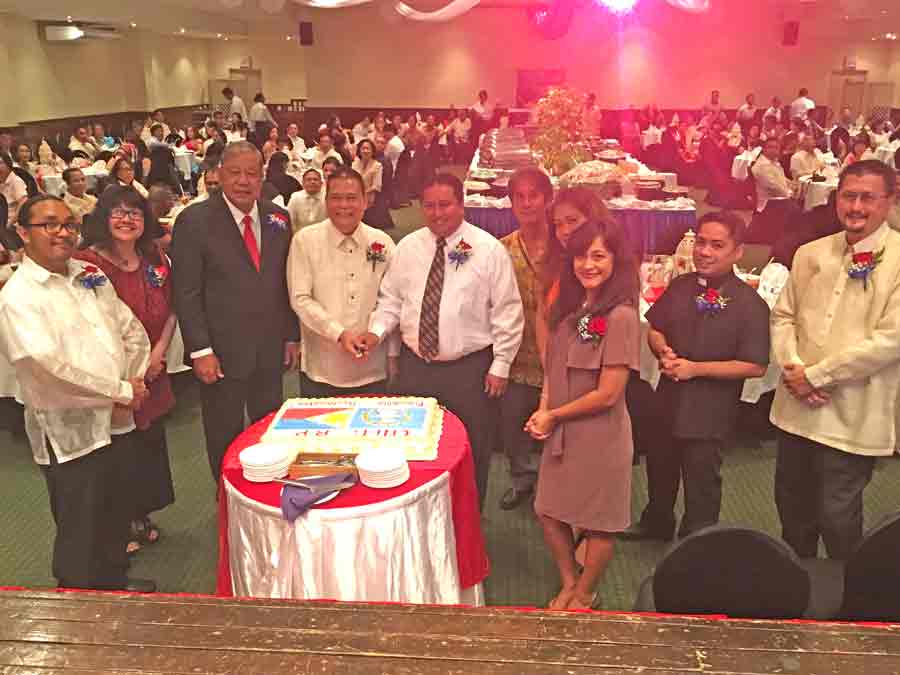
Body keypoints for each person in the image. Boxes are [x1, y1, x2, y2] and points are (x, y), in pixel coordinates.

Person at [0, 194, 154, 592]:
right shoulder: (19, 297)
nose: (62, 232)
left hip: (117, 416)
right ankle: (77, 599)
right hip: (69, 429)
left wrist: (133, 383)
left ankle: (113, 583)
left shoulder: (89, 273)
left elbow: (130, 328)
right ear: (23, 233)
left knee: (115, 508)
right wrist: (118, 391)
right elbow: (46, 369)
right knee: (80, 523)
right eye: (49, 224)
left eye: (69, 224)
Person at [353, 174, 524, 507]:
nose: (436, 213)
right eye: (429, 206)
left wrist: (501, 364)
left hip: (469, 370)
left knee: (471, 448)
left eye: (444, 205)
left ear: (461, 205)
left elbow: (507, 311)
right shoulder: (408, 247)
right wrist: (376, 332)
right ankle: (419, 514)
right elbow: (391, 300)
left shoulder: (488, 250)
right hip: (416, 366)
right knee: (413, 447)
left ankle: (467, 518)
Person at [771, 160, 900, 560]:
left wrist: (817, 377)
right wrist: (794, 369)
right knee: (792, 510)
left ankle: (848, 592)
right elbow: (783, 316)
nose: (856, 207)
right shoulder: (810, 253)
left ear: (890, 201)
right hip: (795, 408)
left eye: (868, 198)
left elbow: (891, 340)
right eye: (849, 196)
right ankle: (797, 588)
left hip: (853, 411)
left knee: (837, 516)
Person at [621, 212, 770, 542]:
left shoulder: (750, 304)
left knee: (701, 479)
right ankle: (657, 522)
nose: (704, 251)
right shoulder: (681, 285)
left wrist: (695, 369)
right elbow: (655, 328)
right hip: (668, 399)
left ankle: (698, 541)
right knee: (659, 465)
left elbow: (755, 366)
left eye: (717, 245)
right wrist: (663, 351)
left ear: (737, 252)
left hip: (710, 408)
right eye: (701, 243)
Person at [526, 218, 640, 610]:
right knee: (548, 510)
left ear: (615, 261)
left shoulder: (622, 316)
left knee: (598, 522)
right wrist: (543, 409)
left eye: (598, 256)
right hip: (560, 430)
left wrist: (554, 415)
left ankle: (585, 591)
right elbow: (552, 369)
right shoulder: (570, 308)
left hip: (600, 436)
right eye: (580, 256)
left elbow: (609, 394)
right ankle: (569, 581)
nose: (588, 265)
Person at [171, 141, 299, 480]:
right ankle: (227, 495)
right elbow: (186, 292)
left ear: (262, 177)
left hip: (269, 346)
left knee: (269, 428)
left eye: (252, 173)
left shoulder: (278, 217)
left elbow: (285, 282)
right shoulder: (194, 221)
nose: (244, 181)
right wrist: (200, 350)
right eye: (235, 173)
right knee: (223, 432)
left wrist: (290, 336)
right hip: (220, 352)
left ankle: (267, 489)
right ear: (219, 174)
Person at [75, 186, 176, 555]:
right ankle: (116, 524)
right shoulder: (87, 264)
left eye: (134, 212)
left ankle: (140, 513)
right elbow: (86, 326)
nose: (127, 219)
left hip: (154, 367)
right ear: (104, 217)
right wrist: (130, 371)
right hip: (114, 375)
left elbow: (172, 308)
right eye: (117, 212)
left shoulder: (154, 256)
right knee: (117, 451)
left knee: (147, 447)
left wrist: (158, 354)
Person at [288, 167, 397, 397]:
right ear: (326, 201)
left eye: (351, 198)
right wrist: (338, 333)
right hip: (322, 367)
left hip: (372, 366)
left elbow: (392, 298)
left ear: (365, 201)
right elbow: (300, 299)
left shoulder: (383, 242)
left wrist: (376, 332)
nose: (344, 205)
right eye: (336, 198)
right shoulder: (305, 241)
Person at [497, 168, 552, 510]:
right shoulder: (501, 249)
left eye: (534, 195)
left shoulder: (565, 247)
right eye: (520, 197)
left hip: (557, 357)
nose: (527, 203)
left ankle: (552, 487)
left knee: (555, 428)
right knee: (514, 425)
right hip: (516, 357)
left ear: (548, 199)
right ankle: (521, 480)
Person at [747, 137, 796, 245]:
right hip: (771, 202)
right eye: (770, 147)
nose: (774, 150)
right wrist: (791, 194)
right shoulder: (762, 166)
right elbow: (774, 187)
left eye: (776, 148)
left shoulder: (774, 162)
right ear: (764, 149)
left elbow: (783, 180)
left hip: (779, 197)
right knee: (799, 206)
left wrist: (793, 186)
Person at [351, 139, 386, 226]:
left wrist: (362, 193)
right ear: (359, 150)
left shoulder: (377, 165)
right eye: (363, 148)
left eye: (368, 148)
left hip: (370, 198)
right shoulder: (354, 164)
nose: (365, 151)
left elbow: (377, 186)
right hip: (354, 195)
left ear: (372, 151)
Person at [287, 168, 327, 232]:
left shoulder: (327, 198)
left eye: (315, 179)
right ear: (303, 183)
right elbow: (290, 221)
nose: (312, 182)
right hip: (300, 235)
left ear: (321, 183)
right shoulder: (295, 197)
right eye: (309, 179)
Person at [0, 153, 27, 227]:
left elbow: (23, 203)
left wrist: (9, 224)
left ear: (8, 165)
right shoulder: (2, 181)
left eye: (0, 163)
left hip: (11, 224)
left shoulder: (16, 181)